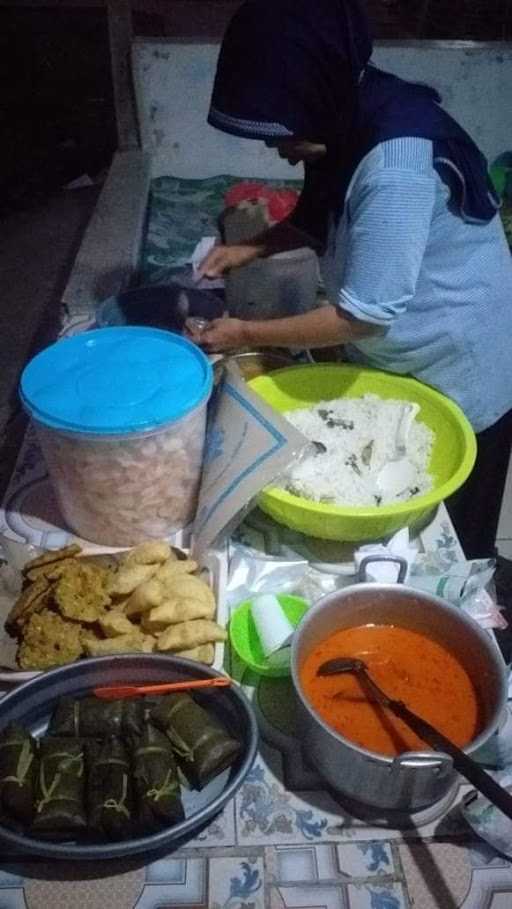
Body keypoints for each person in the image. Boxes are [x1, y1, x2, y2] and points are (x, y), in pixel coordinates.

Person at [192, 0, 512, 562]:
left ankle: (486, 621)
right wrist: (248, 248)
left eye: (285, 135)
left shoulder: (395, 169)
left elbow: (360, 316)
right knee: (391, 505)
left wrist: (243, 332)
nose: (279, 149)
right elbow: (319, 218)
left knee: (455, 543)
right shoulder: (351, 111)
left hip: (460, 360)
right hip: (407, 346)